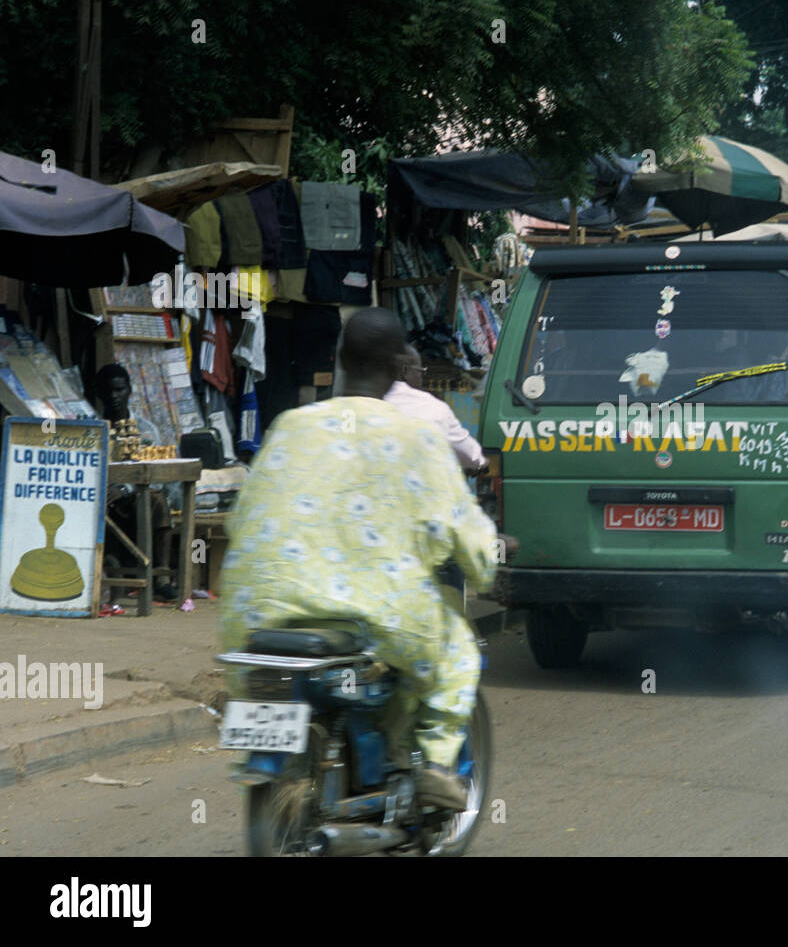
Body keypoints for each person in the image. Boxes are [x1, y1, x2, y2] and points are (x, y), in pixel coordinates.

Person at [220, 307, 500, 809]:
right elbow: (462, 533)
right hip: (374, 619)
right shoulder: (418, 435)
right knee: (457, 647)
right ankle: (437, 765)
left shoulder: (289, 426)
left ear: (339, 359)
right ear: (402, 365)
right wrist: (486, 561)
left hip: (256, 612)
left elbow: (241, 520)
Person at [94, 364, 177, 604]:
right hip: (105, 500)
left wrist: (124, 489)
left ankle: (161, 578)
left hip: (137, 498)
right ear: (99, 393)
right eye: (108, 391)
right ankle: (106, 570)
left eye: (119, 390)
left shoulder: (146, 430)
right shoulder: (93, 429)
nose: (114, 397)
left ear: (129, 391)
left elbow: (155, 472)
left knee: (159, 500)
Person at [384, 346, 487, 473]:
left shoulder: (363, 403)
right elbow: (471, 454)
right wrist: (482, 462)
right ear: (405, 372)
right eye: (420, 371)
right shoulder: (432, 407)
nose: (422, 378)